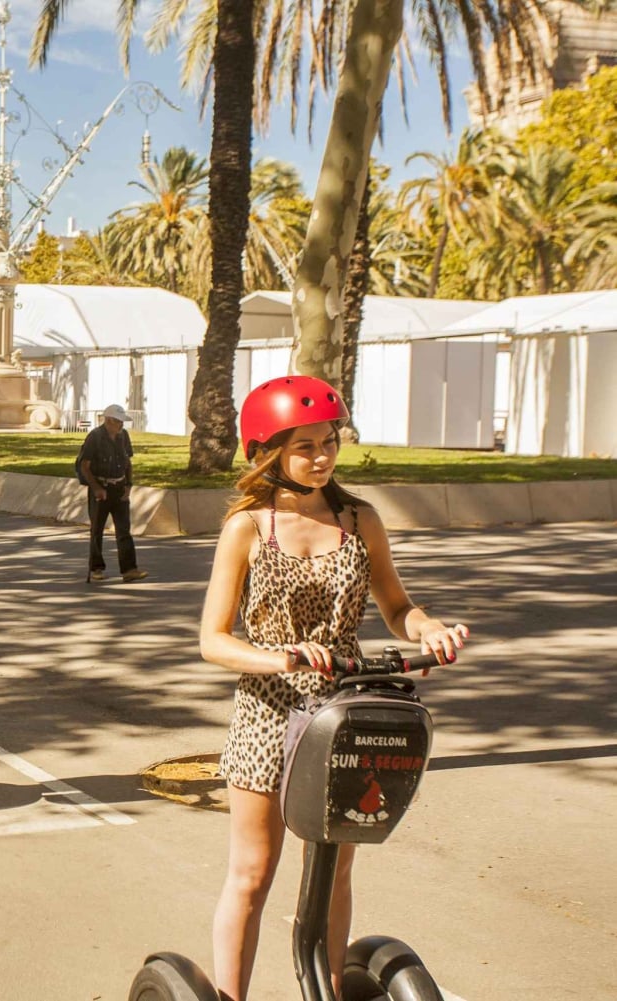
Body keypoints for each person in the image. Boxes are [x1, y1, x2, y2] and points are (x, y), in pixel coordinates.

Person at [199, 376, 469, 1001]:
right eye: (304, 447)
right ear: (266, 452)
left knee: (335, 874)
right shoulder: (248, 529)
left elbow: (398, 606)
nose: (322, 457)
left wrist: (428, 630)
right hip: (268, 717)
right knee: (252, 874)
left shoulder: (358, 519)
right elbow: (213, 640)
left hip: (345, 714)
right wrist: (279, 656)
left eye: (329, 442)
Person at [79, 403, 146, 583]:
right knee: (97, 530)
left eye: (122, 423)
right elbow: (84, 466)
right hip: (101, 488)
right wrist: (97, 488)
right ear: (108, 421)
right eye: (118, 422)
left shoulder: (123, 436)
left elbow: (128, 462)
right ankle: (96, 568)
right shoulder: (95, 437)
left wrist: (128, 485)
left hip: (119, 488)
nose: (121, 426)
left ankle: (129, 569)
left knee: (124, 530)